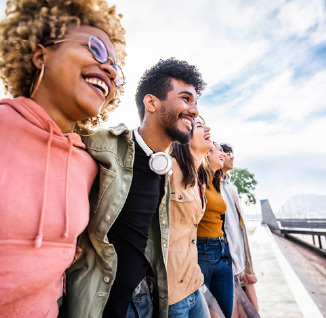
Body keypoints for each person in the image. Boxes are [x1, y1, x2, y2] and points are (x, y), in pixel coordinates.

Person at [0, 1, 125, 317]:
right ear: (40, 54)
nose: (110, 69)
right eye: (95, 48)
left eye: (117, 68)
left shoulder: (89, 164)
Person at [63, 58, 206, 318]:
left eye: (195, 102)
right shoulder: (101, 148)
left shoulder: (164, 168)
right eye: (186, 98)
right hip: (99, 302)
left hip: (143, 300)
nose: (194, 110)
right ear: (151, 103)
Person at [167, 116, 213, 318]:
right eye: (200, 126)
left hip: (194, 282)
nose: (208, 129)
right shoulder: (168, 168)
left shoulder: (198, 179)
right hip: (172, 293)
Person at [220, 144, 259, 317]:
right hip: (226, 264)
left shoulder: (231, 188)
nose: (231, 156)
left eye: (231, 153)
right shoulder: (212, 188)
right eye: (226, 153)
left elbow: (239, 229)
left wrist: (247, 266)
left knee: (254, 311)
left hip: (240, 263)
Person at [197, 143, 235, 318]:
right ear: (207, 154)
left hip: (222, 251)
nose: (223, 154)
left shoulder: (216, 182)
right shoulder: (198, 179)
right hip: (202, 251)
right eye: (219, 150)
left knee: (226, 312)